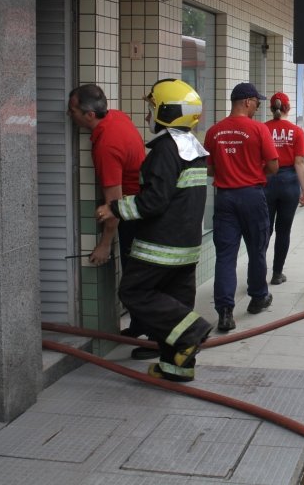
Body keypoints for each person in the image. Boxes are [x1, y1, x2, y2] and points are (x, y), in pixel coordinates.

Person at [95, 78, 213, 382]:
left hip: (160, 246)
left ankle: (193, 330)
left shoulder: (165, 150)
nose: (148, 116)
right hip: (187, 247)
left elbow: (154, 201)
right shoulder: (194, 149)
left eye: (152, 108)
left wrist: (115, 208)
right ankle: (176, 367)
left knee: (134, 291)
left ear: (167, 111)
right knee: (175, 304)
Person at [67, 83, 157, 360]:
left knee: (137, 279)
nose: (69, 115)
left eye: (72, 110)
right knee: (137, 275)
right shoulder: (117, 116)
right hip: (142, 207)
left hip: (135, 214)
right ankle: (140, 325)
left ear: (89, 115)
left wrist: (105, 244)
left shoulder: (106, 145)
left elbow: (114, 205)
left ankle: (156, 339)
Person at [204, 82, 279, 332]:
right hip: (252, 196)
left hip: (224, 198)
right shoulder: (258, 129)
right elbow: (273, 166)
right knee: (257, 249)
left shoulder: (214, 131)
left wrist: (230, 170)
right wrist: (251, 170)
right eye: (257, 102)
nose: (258, 107)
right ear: (246, 101)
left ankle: (225, 312)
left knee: (225, 256)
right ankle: (258, 298)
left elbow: (210, 169)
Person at [264, 92, 304, 285]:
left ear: (271, 108)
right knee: (283, 231)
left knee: (263, 231)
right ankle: (277, 274)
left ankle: (257, 274)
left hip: (266, 182)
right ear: (287, 108)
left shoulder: (263, 129)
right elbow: (299, 163)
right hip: (289, 183)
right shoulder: (296, 131)